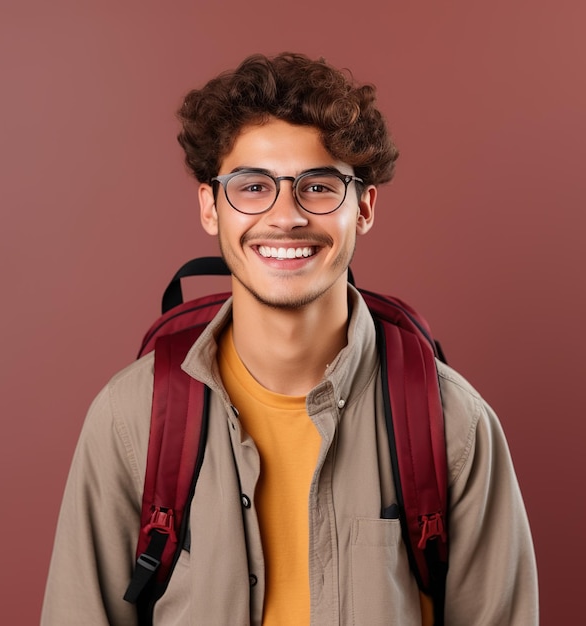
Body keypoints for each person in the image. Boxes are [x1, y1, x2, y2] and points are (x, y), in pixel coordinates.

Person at [41, 53, 538, 625]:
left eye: (319, 187)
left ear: (365, 207)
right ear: (210, 207)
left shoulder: (452, 423)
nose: (285, 216)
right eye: (252, 187)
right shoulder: (131, 419)